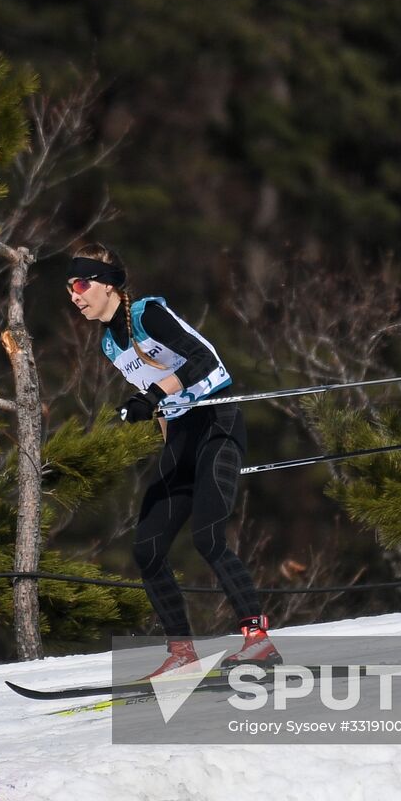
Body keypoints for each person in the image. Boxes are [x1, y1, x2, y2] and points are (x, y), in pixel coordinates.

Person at [66, 243, 279, 676]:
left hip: (217, 420)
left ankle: (258, 641)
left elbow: (206, 360)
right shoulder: (109, 344)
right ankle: (182, 654)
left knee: (208, 537)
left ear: (108, 286)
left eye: (82, 283)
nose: (75, 294)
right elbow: (162, 407)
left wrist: (152, 395)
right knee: (147, 547)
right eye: (69, 287)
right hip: (181, 436)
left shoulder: (148, 315)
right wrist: (154, 412)